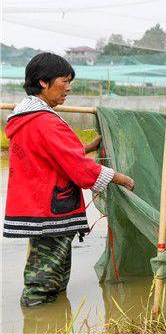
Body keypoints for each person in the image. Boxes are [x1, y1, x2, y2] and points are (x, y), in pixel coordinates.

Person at [3, 53, 135, 307]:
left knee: (53, 276)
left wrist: (85, 148)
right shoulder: (44, 121)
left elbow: (49, 157)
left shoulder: (25, 118)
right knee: (42, 284)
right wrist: (119, 178)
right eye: (64, 81)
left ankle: (51, 321)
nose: (69, 88)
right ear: (43, 82)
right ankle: (37, 321)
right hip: (50, 209)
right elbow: (77, 169)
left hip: (37, 205)